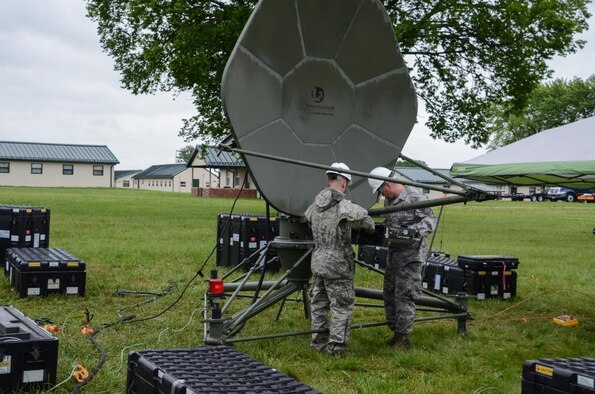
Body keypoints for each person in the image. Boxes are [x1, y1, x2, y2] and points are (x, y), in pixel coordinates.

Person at [305, 162, 375, 356]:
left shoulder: (315, 204)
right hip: (338, 264)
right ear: (344, 183)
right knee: (342, 306)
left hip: (318, 261)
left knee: (318, 303)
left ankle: (317, 342)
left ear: (329, 179)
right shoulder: (343, 206)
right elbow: (366, 220)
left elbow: (307, 217)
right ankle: (337, 347)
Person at [368, 166, 437, 350]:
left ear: (388, 184)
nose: (381, 195)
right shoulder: (389, 202)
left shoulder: (415, 196)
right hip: (394, 256)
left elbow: (430, 220)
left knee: (405, 296)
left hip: (411, 257)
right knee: (389, 294)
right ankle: (395, 331)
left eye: (381, 190)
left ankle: (403, 338)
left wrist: (411, 233)